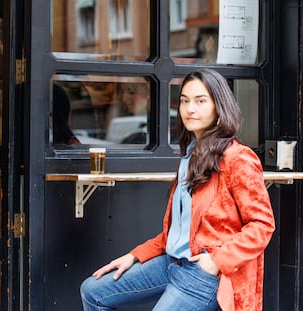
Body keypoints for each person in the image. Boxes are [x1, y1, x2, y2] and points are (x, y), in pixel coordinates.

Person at [80, 68, 275, 311]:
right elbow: (178, 231)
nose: (189, 109)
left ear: (219, 107)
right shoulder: (191, 155)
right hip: (170, 262)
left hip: (202, 272)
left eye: (200, 101)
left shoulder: (238, 158)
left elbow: (262, 225)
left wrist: (216, 260)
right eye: (184, 101)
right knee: (93, 291)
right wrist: (135, 256)